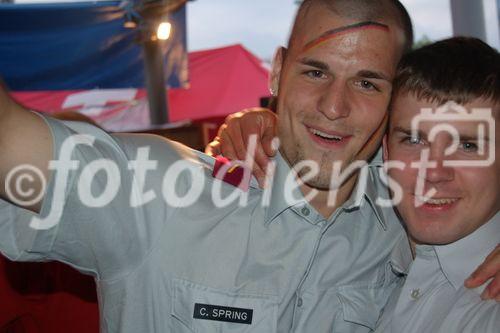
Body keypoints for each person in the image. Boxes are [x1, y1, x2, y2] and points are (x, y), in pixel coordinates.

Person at [0, 2, 497, 333]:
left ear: (393, 101)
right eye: (315, 71)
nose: (334, 106)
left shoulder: (403, 217)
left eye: (367, 83)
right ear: (278, 71)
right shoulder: (156, 192)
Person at [209, 36, 500, 330]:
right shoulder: (389, 246)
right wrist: (263, 125)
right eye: (413, 140)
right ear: (386, 152)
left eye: (468, 146)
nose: (434, 171)